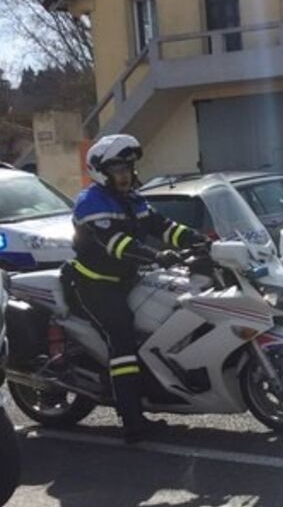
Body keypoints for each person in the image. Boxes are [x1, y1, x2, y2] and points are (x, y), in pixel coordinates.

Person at [62, 134, 206, 443]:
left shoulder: (132, 199)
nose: (125, 175)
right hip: (94, 284)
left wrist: (198, 239)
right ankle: (132, 420)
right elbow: (115, 243)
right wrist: (156, 256)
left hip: (127, 280)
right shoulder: (91, 203)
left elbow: (161, 225)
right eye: (118, 169)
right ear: (102, 172)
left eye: (127, 168)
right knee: (122, 337)